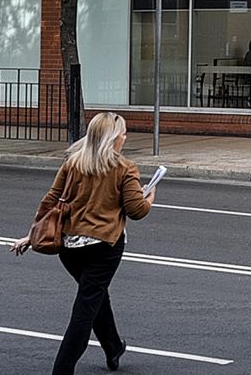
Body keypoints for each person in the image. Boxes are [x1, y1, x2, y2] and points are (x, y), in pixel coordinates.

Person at [11, 111, 154, 375]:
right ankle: (62, 369)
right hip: (104, 248)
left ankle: (113, 347)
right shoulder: (125, 168)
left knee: (95, 295)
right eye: (123, 133)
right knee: (86, 307)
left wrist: (32, 235)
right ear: (112, 138)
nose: (125, 137)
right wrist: (150, 196)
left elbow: (50, 201)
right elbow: (136, 210)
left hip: (69, 248)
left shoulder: (74, 163)